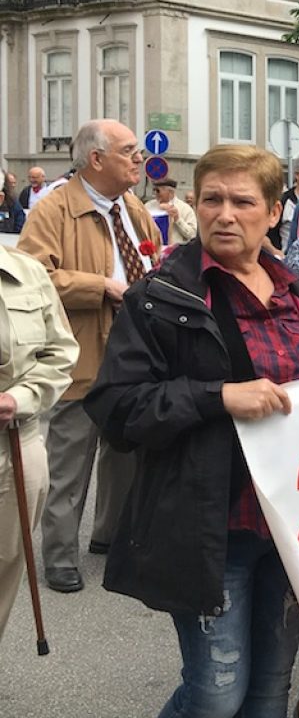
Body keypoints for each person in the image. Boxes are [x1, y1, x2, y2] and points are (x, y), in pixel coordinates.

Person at [84, 144, 299, 718]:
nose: (225, 214)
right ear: (195, 205)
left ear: (275, 210)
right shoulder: (161, 297)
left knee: (268, 693)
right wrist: (217, 397)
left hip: (290, 530)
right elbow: (117, 409)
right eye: (212, 199)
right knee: (215, 695)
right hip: (211, 529)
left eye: (243, 201)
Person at [17, 119, 162, 593]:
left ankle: (110, 536)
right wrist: (99, 286)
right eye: (128, 151)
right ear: (96, 159)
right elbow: (32, 278)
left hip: (133, 352)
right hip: (81, 351)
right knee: (70, 462)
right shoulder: (54, 207)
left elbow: (151, 259)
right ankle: (59, 555)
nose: (138, 159)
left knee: (124, 452)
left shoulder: (134, 207)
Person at [0, 246, 78, 643]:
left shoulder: (26, 271)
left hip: (15, 442)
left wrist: (19, 397)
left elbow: (60, 352)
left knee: (4, 567)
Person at [145, 178, 198, 245]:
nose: (155, 193)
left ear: (170, 192)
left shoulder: (185, 209)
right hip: (153, 250)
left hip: (176, 251)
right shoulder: (148, 206)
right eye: (154, 190)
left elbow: (192, 235)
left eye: (158, 191)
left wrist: (177, 219)